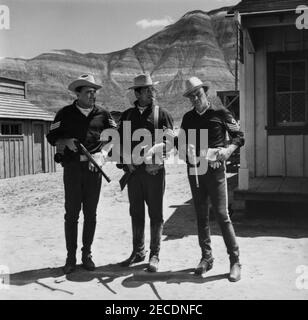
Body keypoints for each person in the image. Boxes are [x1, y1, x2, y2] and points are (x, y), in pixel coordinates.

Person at [47, 74, 116, 274]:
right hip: (72, 169)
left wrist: (103, 153)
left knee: (91, 214)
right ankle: (71, 257)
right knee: (71, 215)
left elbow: (113, 136)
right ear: (78, 93)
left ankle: (87, 255)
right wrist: (65, 141)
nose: (92, 96)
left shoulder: (103, 114)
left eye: (94, 92)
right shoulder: (64, 114)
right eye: (88, 92)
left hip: (94, 169)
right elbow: (52, 136)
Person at [178, 76, 244, 282]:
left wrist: (229, 149)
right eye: (191, 96)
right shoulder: (187, 118)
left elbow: (239, 136)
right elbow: (181, 145)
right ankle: (206, 257)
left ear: (205, 92)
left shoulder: (220, 113)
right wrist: (184, 150)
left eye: (198, 94)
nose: (195, 98)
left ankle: (235, 261)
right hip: (195, 171)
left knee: (222, 215)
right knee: (201, 216)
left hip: (215, 171)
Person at [117, 74, 174, 272]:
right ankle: (138, 251)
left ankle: (154, 254)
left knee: (156, 214)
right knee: (136, 213)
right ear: (138, 93)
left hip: (154, 173)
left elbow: (170, 142)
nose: (152, 93)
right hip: (134, 175)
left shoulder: (162, 114)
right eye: (148, 90)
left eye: (153, 89)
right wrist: (126, 162)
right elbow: (118, 143)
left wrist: (159, 159)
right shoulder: (127, 116)